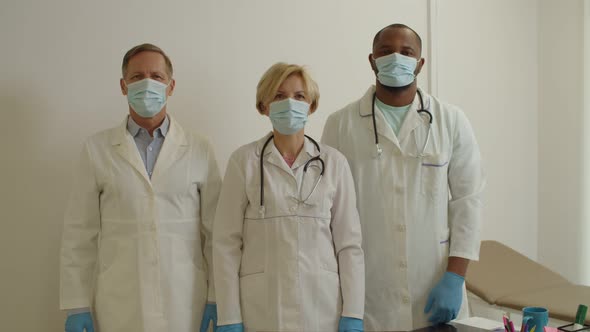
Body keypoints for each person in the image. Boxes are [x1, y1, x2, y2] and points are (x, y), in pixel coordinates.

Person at [321, 24, 486, 331]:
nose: (396, 58)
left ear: (420, 63)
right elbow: (329, 212)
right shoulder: (340, 125)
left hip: (434, 285)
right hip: (369, 293)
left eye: (406, 52)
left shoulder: (451, 120)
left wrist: (455, 276)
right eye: (386, 51)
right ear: (371, 60)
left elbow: (469, 201)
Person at [59, 43, 222, 332]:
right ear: (123, 86)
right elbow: (79, 233)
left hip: (185, 299)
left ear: (171, 86)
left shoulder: (200, 148)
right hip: (120, 301)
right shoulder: (97, 149)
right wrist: (77, 304)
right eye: (137, 77)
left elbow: (216, 233)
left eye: (157, 77)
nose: (147, 84)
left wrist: (217, 296)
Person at [213, 63, 365, 332]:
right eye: (279, 96)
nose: (290, 104)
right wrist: (229, 316)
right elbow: (226, 243)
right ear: (263, 105)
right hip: (262, 309)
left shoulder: (334, 163)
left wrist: (353, 312)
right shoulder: (243, 161)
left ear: (312, 105)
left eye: (299, 96)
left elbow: (349, 245)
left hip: (323, 307)